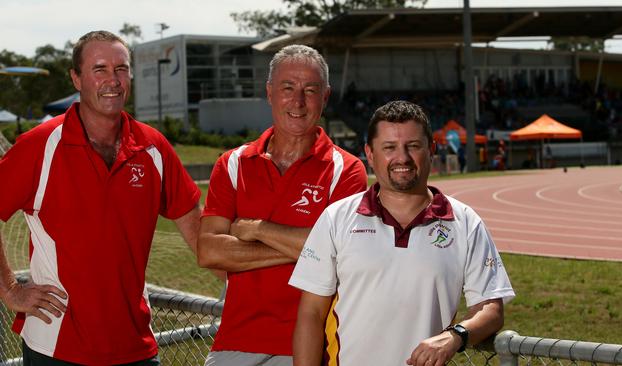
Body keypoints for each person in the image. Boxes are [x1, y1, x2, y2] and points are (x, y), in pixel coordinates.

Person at [0, 31, 201, 365]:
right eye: (100, 69)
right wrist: (9, 288)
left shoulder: (153, 148)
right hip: (56, 345)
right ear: (76, 78)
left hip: (135, 346)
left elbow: (201, 235)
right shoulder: (40, 146)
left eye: (121, 69)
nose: (113, 80)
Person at [290, 100, 515, 366]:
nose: (402, 158)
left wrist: (456, 336)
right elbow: (311, 314)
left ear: (431, 150)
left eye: (413, 146)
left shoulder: (466, 222)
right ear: (370, 154)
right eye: (389, 148)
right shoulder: (336, 218)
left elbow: (490, 308)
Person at [197, 45, 367, 366]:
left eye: (310, 90)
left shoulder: (347, 169)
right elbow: (209, 252)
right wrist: (311, 248)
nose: (298, 101)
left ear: (325, 97)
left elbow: (342, 254)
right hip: (236, 340)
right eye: (288, 88)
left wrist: (258, 229)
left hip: (311, 346)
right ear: (270, 92)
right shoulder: (233, 163)